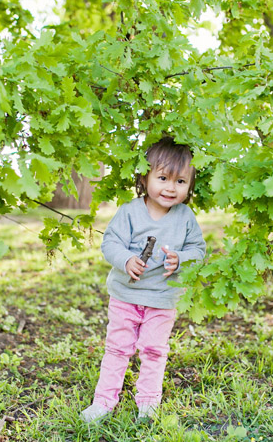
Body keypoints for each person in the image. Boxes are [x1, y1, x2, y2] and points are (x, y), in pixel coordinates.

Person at [81, 137, 206, 423]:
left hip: (162, 299)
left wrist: (180, 259)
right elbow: (110, 243)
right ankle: (103, 401)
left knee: (153, 350)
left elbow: (198, 250)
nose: (170, 188)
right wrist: (126, 260)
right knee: (117, 347)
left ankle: (148, 402)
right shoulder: (130, 211)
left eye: (181, 182)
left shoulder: (185, 217)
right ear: (145, 177)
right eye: (162, 178)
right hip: (126, 295)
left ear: (189, 186)